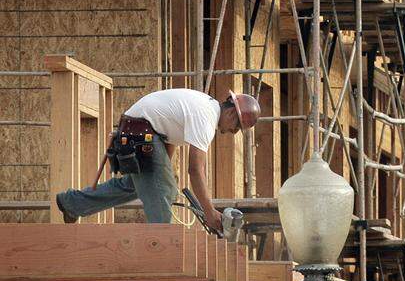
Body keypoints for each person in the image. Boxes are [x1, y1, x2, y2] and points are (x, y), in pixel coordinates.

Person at [55, 88, 260, 230]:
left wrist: (163, 174)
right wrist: (209, 211)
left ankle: (73, 203)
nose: (232, 133)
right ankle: (161, 248)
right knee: (165, 190)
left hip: (141, 130)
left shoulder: (203, 107)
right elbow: (196, 170)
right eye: (236, 128)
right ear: (233, 113)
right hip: (141, 131)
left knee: (137, 185)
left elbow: (168, 138)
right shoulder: (207, 118)